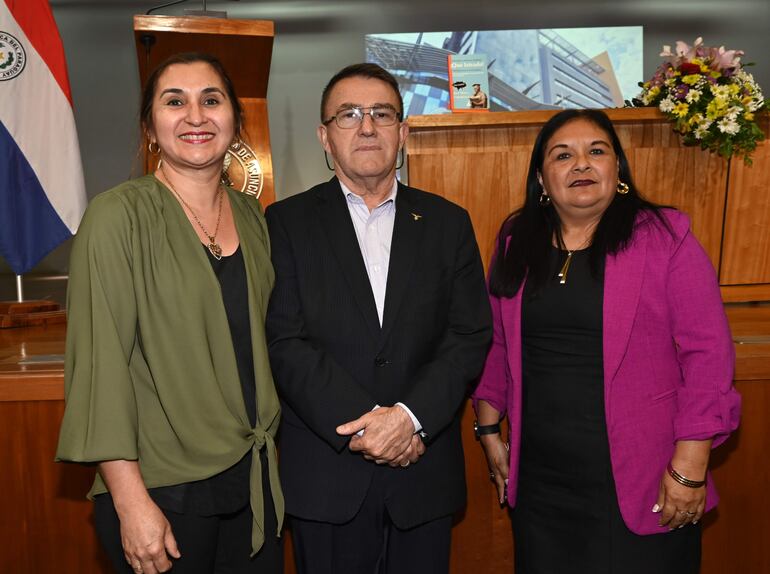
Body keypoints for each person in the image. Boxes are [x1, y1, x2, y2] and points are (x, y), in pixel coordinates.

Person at [472, 109, 741, 574]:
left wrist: (689, 465)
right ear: (541, 177)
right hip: (542, 483)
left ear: (618, 168)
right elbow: (496, 342)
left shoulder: (664, 236)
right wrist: (489, 431)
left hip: (644, 478)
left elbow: (708, 354)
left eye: (596, 151)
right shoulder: (516, 239)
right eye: (563, 155)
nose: (581, 164)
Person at [56, 52, 283, 574]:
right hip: (164, 492)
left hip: (253, 481)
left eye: (212, 100)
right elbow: (101, 367)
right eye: (174, 101)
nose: (196, 116)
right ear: (150, 127)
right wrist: (131, 503)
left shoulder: (252, 216)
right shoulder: (117, 216)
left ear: (235, 120)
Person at [265, 63, 492, 574]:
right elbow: (284, 339)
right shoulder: (284, 223)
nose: (366, 126)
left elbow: (468, 334)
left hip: (422, 470)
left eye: (381, 114)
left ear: (403, 132)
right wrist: (370, 428)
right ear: (325, 137)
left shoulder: (448, 222)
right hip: (329, 476)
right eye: (349, 114)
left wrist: (408, 419)